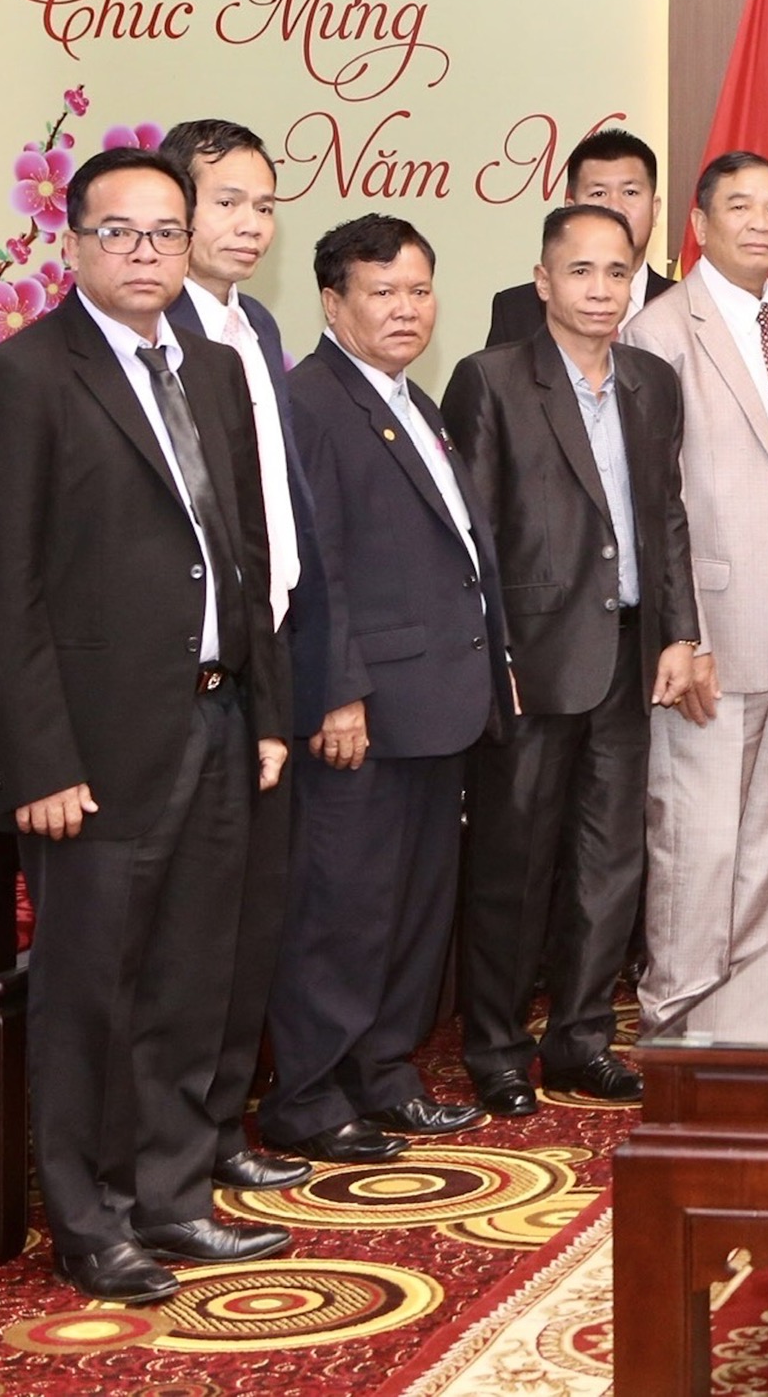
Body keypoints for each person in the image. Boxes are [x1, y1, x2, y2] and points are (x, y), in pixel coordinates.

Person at [0, 147, 293, 1303]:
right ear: (76, 243)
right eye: (120, 232)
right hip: (92, 755)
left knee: (193, 980)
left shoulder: (205, 365)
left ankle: (173, 1197)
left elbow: (241, 558)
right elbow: (0, 597)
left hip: (215, 722)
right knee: (94, 990)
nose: (146, 252)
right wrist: (36, 759)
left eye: (164, 232)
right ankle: (88, 1221)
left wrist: (268, 708)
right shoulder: (18, 381)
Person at [262, 215, 508, 1162]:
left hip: (437, 699)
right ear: (333, 303)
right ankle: (311, 1099)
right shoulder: (314, 402)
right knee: (343, 907)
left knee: (411, 908)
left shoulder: (414, 398)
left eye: (419, 290)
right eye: (383, 293)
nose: (407, 310)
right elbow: (313, 566)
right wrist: (337, 692)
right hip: (360, 708)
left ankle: (386, 1077)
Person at [444, 206, 701, 1111]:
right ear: (543, 281)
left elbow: (665, 517)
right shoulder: (493, 380)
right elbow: (469, 536)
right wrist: (490, 659)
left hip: (630, 658)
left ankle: (582, 1037)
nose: (601, 289)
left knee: (609, 861)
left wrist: (681, 633)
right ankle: (498, 1047)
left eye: (617, 271)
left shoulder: (651, 381)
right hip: (533, 662)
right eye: (581, 271)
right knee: (515, 864)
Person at [623, 152, 768, 1029]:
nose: (761, 223)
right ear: (700, 220)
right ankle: (677, 1005)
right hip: (712, 618)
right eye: (740, 207)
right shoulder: (661, 331)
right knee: (697, 824)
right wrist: (684, 633)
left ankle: (749, 992)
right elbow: (657, 500)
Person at [157, 118, 317, 1194]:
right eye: (228, 202)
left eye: (264, 204)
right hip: (182, 669)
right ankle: (168, 1153)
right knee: (187, 931)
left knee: (253, 914)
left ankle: (217, 1131)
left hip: (271, 643)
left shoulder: (256, 323)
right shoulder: (151, 330)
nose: (250, 223)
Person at [485, 128, 675, 347]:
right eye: (598, 193)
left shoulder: (683, 305)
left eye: (630, 192)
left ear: (655, 209)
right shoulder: (516, 310)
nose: (615, 207)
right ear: (571, 210)